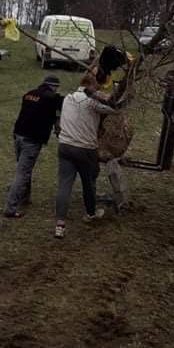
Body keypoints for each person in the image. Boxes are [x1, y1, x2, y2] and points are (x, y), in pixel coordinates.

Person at [54, 73, 122, 238]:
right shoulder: (92, 102)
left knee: (64, 185)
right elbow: (115, 109)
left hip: (65, 146)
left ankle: (60, 224)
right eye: (97, 88)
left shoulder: (67, 98)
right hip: (85, 149)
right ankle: (91, 214)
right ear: (92, 87)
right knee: (89, 182)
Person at [2, 75, 63, 220]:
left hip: (18, 135)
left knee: (24, 169)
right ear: (53, 86)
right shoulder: (51, 97)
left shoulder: (29, 94)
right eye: (56, 88)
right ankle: (10, 208)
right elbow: (64, 103)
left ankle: (25, 197)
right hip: (32, 140)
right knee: (22, 172)